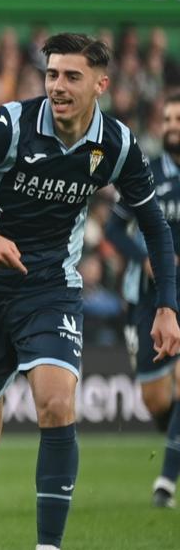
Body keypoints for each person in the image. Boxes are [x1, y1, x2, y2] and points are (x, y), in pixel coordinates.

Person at [0, 33, 180, 550]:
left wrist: (166, 305)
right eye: (52, 74)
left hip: (50, 289)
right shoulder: (8, 126)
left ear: (100, 85)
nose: (58, 86)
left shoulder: (116, 144)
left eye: (71, 77)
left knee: (58, 404)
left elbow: (154, 225)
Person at [105, 91, 180, 508]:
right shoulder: (146, 173)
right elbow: (114, 230)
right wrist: (145, 258)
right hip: (148, 297)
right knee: (157, 400)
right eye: (167, 119)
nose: (172, 126)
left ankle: (165, 483)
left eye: (178, 119)